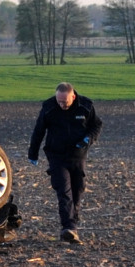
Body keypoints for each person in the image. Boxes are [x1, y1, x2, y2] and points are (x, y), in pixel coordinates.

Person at [27, 82, 102, 244]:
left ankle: (72, 224)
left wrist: (88, 139)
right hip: (56, 156)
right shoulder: (49, 108)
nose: (62, 105)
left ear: (73, 96)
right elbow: (39, 131)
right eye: (59, 101)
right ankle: (68, 228)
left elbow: (96, 125)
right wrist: (33, 153)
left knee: (78, 190)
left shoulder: (86, 106)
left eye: (65, 102)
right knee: (64, 191)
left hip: (77, 155)